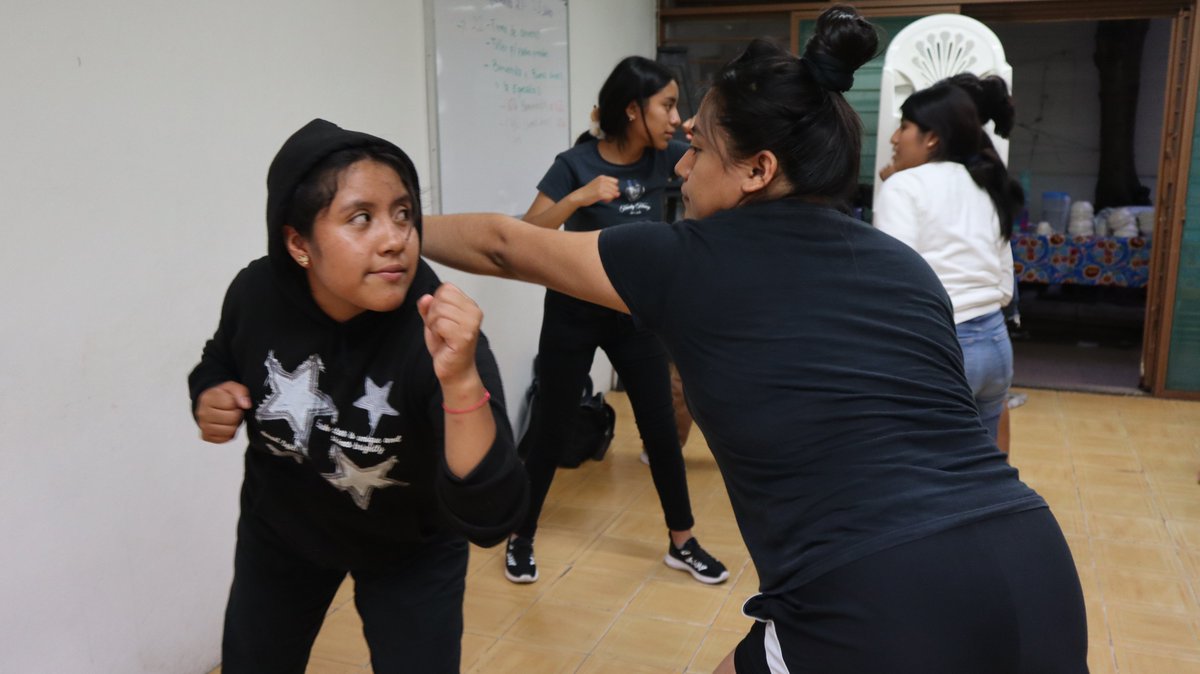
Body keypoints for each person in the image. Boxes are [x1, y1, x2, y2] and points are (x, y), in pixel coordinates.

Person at [421, 5, 1088, 672]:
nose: (682, 167)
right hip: (1034, 563)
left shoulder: (688, 258)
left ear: (757, 169)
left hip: (876, 590)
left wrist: (392, 229)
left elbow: (505, 245)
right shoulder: (906, 268)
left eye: (701, 149)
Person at [188, 119, 528, 673]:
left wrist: (461, 381)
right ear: (298, 243)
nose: (396, 238)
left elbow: (493, 515)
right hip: (283, 531)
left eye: (404, 213)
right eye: (361, 218)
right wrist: (209, 393)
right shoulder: (256, 294)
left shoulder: (437, 331)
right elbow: (219, 358)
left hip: (410, 547)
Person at [504, 55, 727, 586]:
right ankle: (521, 535)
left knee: (660, 430)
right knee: (551, 426)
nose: (675, 118)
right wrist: (579, 197)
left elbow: (715, 166)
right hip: (572, 313)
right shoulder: (574, 163)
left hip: (634, 314)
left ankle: (682, 541)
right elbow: (527, 234)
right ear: (632, 110)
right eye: (667, 105)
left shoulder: (666, 157)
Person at [874, 73, 1022, 447]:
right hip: (996, 346)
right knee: (984, 463)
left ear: (932, 138)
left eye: (904, 127)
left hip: (944, 346)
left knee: (927, 465)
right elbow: (1005, 282)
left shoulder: (903, 186)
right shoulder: (984, 182)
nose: (894, 139)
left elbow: (896, 287)